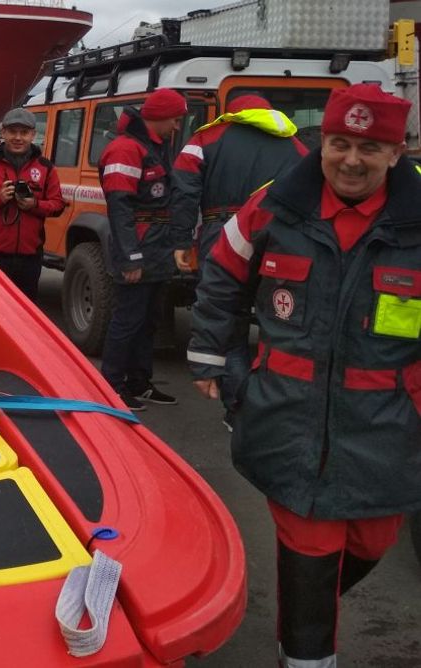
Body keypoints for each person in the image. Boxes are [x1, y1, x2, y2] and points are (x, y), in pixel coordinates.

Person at [187, 83, 421, 667]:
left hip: (388, 424)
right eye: (340, 143)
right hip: (286, 413)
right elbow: (222, 274)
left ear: (397, 153)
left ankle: (307, 607)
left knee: (372, 539)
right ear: (321, 144)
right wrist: (218, 360)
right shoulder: (274, 204)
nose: (351, 159)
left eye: (370, 147)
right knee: (310, 544)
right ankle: (307, 654)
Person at [169, 94, 308, 430]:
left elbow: (184, 190)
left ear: (236, 112)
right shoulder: (298, 147)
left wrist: (180, 240)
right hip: (281, 241)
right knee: (279, 323)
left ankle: (237, 410)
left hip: (225, 235)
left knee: (228, 323)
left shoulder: (207, 137)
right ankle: (273, 407)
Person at [97, 88, 187, 411]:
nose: (177, 127)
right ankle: (110, 386)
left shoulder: (153, 147)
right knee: (128, 320)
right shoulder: (125, 150)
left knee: (149, 320)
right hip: (139, 245)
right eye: (175, 120)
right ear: (160, 115)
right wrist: (130, 257)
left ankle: (138, 381)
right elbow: (119, 208)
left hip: (156, 246)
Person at [0, 107, 65, 300]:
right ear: (4, 133)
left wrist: (34, 205)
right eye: (13, 132)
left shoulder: (46, 167)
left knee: (26, 312)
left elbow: (58, 205)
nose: (18, 138)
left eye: (24, 133)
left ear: (33, 135)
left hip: (30, 258)